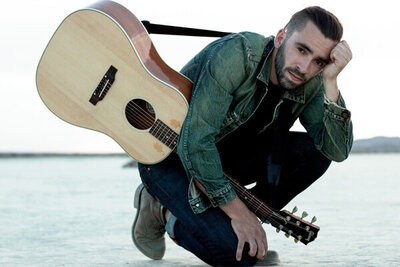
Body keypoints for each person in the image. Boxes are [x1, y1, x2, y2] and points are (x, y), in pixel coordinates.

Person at [132, 6, 353, 266]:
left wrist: (330, 82)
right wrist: (241, 215)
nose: (304, 67)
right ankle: (162, 211)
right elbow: (196, 144)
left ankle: (234, 230)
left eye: (319, 61)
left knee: (314, 153)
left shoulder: (312, 80)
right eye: (301, 50)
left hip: (224, 157)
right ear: (281, 37)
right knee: (236, 259)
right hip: (167, 154)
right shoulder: (236, 55)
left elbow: (336, 151)